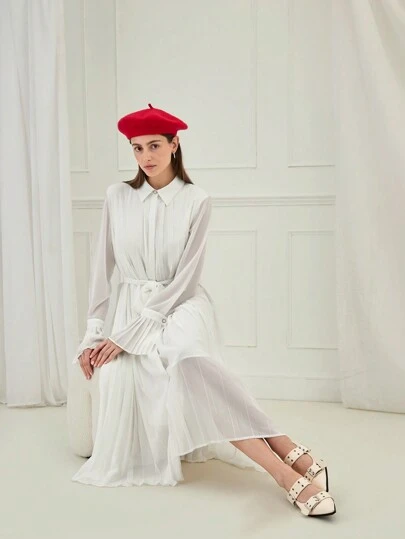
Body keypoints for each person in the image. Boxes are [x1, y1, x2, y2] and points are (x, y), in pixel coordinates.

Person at [71, 103, 336, 517]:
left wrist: (132, 334)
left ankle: (283, 470)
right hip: (130, 307)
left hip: (179, 304)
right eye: (137, 148)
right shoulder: (117, 197)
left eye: (155, 145)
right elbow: (101, 270)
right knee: (184, 377)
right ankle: (284, 454)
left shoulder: (197, 200)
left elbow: (186, 278)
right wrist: (95, 333)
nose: (146, 157)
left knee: (188, 359)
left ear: (174, 144)